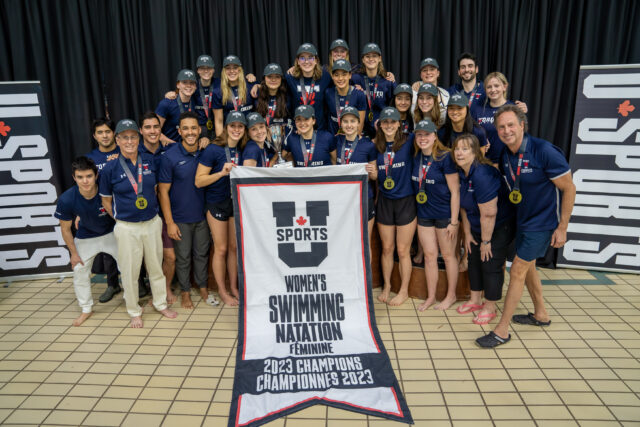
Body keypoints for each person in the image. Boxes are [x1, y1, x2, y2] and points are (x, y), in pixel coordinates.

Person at [476, 105, 576, 348]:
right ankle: (541, 313)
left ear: (522, 125)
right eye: (501, 127)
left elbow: (569, 188)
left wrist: (562, 227)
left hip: (541, 224)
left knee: (518, 269)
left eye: (511, 125)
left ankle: (502, 329)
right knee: (528, 267)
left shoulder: (544, 151)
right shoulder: (506, 154)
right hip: (522, 220)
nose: (506, 130)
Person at [99, 119, 178, 328]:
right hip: (126, 227)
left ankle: (160, 303)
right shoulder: (109, 169)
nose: (129, 141)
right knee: (130, 271)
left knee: (155, 267)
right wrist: (121, 218)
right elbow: (106, 200)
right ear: (117, 140)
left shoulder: (150, 161)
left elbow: (156, 190)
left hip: (152, 223)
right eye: (124, 137)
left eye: (133, 136)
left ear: (138, 138)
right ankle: (134, 310)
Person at [453, 133, 515, 325]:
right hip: (477, 226)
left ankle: (490, 307)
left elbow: (489, 213)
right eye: (457, 148)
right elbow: (465, 207)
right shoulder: (463, 172)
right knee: (473, 260)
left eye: (465, 149)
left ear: (475, 152)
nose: (459, 153)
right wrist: (469, 233)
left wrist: (486, 241)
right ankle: (475, 300)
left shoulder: (483, 174)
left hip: (497, 226)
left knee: (490, 264)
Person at [158, 111, 215, 309]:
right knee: (183, 258)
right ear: (179, 131)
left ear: (199, 130)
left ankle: (202, 287)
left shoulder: (206, 151)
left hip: (203, 216)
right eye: (186, 129)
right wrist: (170, 222)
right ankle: (184, 291)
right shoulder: (169, 157)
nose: (190, 132)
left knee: (202, 254)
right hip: (180, 218)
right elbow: (163, 192)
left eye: (193, 128)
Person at [55, 156, 119, 326]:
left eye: (89, 176)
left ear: (96, 175)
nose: (85, 181)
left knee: (128, 267)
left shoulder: (107, 191)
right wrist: (73, 254)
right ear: (74, 178)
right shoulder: (67, 199)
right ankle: (86, 309)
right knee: (79, 271)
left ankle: (132, 302)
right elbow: (65, 229)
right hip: (86, 236)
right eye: (80, 177)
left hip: (111, 233)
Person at [195, 111, 247, 306]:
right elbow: (199, 181)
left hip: (235, 203)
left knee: (234, 248)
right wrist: (221, 173)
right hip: (216, 203)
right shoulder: (213, 150)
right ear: (226, 127)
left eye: (240, 126)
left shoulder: (244, 149)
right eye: (232, 126)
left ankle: (233, 287)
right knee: (222, 248)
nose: (236, 129)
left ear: (244, 129)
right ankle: (223, 291)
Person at [411, 119, 460, 311]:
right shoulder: (416, 157)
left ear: (434, 136)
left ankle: (451, 295)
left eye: (427, 134)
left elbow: (455, 191)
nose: (423, 138)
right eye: (419, 134)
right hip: (424, 214)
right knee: (429, 256)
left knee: (448, 256)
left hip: (444, 215)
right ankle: (431, 296)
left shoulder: (444, 157)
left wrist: (454, 222)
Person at [375, 107, 416, 306]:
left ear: (399, 123)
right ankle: (387, 286)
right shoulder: (376, 146)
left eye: (393, 122)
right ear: (380, 125)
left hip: (405, 201)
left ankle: (404, 290)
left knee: (402, 250)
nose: (389, 125)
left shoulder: (409, 142)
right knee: (387, 248)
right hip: (385, 201)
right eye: (385, 122)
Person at [138, 112, 176, 304]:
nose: (152, 131)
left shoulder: (170, 150)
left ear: (161, 130)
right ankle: (155, 290)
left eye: (156, 127)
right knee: (150, 258)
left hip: (168, 210)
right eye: (148, 127)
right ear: (141, 130)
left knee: (170, 257)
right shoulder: (133, 153)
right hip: (145, 214)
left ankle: (166, 287)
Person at [85, 118, 122, 303]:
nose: (104, 135)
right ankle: (112, 284)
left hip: (127, 208)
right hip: (103, 210)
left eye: (107, 131)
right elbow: (85, 186)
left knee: (133, 248)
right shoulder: (91, 158)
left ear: (114, 133)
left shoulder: (124, 150)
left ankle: (140, 282)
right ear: (94, 136)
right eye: (100, 132)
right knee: (108, 251)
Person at [335, 106, 378, 242]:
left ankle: (367, 265)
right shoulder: (335, 141)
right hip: (342, 198)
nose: (349, 125)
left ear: (359, 123)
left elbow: (374, 176)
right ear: (341, 124)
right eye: (346, 121)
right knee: (345, 240)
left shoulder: (368, 145)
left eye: (353, 121)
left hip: (364, 197)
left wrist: (372, 172)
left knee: (365, 241)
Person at [471, 72, 528, 164]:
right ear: (485, 90)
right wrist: (480, 140)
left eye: (496, 86)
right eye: (489, 87)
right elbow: (471, 134)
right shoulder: (478, 110)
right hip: (484, 161)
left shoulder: (514, 108)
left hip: (508, 161)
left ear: (504, 87)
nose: (493, 90)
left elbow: (522, 136)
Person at [351, 43, 396, 138]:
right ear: (363, 60)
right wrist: (353, 89)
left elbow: (395, 106)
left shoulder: (387, 81)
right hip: (360, 129)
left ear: (380, 58)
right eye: (367, 56)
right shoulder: (355, 79)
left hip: (381, 129)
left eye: (374, 56)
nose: (371, 59)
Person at [285, 43, 332, 130]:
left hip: (319, 130)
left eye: (310, 57)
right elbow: (273, 85)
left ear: (316, 61)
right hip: (298, 129)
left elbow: (340, 85)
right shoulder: (290, 77)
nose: (306, 62)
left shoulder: (325, 76)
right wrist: (257, 86)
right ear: (298, 61)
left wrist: (355, 86)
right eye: (302, 58)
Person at [156, 69, 206, 145]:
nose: (188, 86)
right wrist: (176, 146)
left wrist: (204, 138)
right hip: (171, 148)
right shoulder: (166, 103)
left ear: (195, 86)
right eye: (184, 82)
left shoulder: (196, 101)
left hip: (191, 147)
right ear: (178, 85)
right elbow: (155, 131)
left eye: (192, 83)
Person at [213, 55, 255, 134]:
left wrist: (257, 85)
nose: (232, 71)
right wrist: (221, 143)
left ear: (240, 70)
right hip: (231, 133)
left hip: (250, 132)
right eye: (228, 68)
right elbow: (219, 122)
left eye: (235, 67)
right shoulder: (218, 92)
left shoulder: (250, 85)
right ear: (224, 71)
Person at [324, 59, 366, 135]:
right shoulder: (328, 93)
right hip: (333, 140)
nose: (340, 78)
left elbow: (360, 125)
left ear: (350, 75)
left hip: (352, 140)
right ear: (332, 76)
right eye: (336, 75)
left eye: (344, 74)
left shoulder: (359, 94)